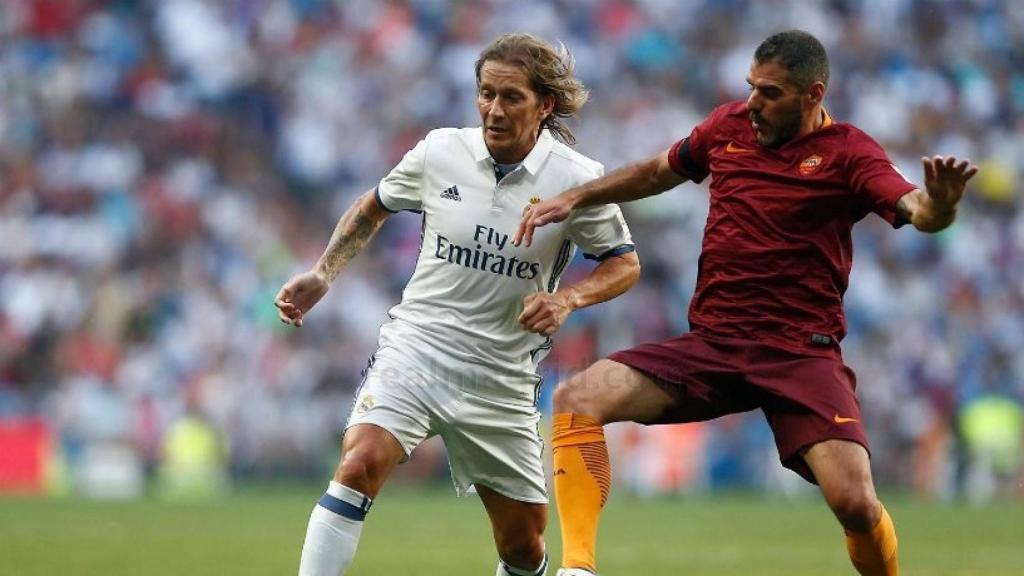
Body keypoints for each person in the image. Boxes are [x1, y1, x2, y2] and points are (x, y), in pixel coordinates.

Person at [515, 30, 978, 576]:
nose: (754, 102)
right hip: (714, 345)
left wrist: (944, 203)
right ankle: (578, 569)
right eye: (751, 87)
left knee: (854, 503)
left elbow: (919, 211)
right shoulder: (728, 126)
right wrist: (578, 195)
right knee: (577, 396)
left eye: (771, 93)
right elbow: (658, 171)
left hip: (800, 355)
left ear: (813, 95)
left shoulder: (850, 152)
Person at [275, 33, 639, 576]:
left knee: (522, 546)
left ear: (545, 105)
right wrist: (323, 273)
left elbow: (624, 263)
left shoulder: (577, 179)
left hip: (501, 375)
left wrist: (568, 300)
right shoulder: (440, 151)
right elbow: (372, 207)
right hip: (417, 350)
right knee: (357, 465)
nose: (494, 109)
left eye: (511, 97)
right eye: (485, 93)